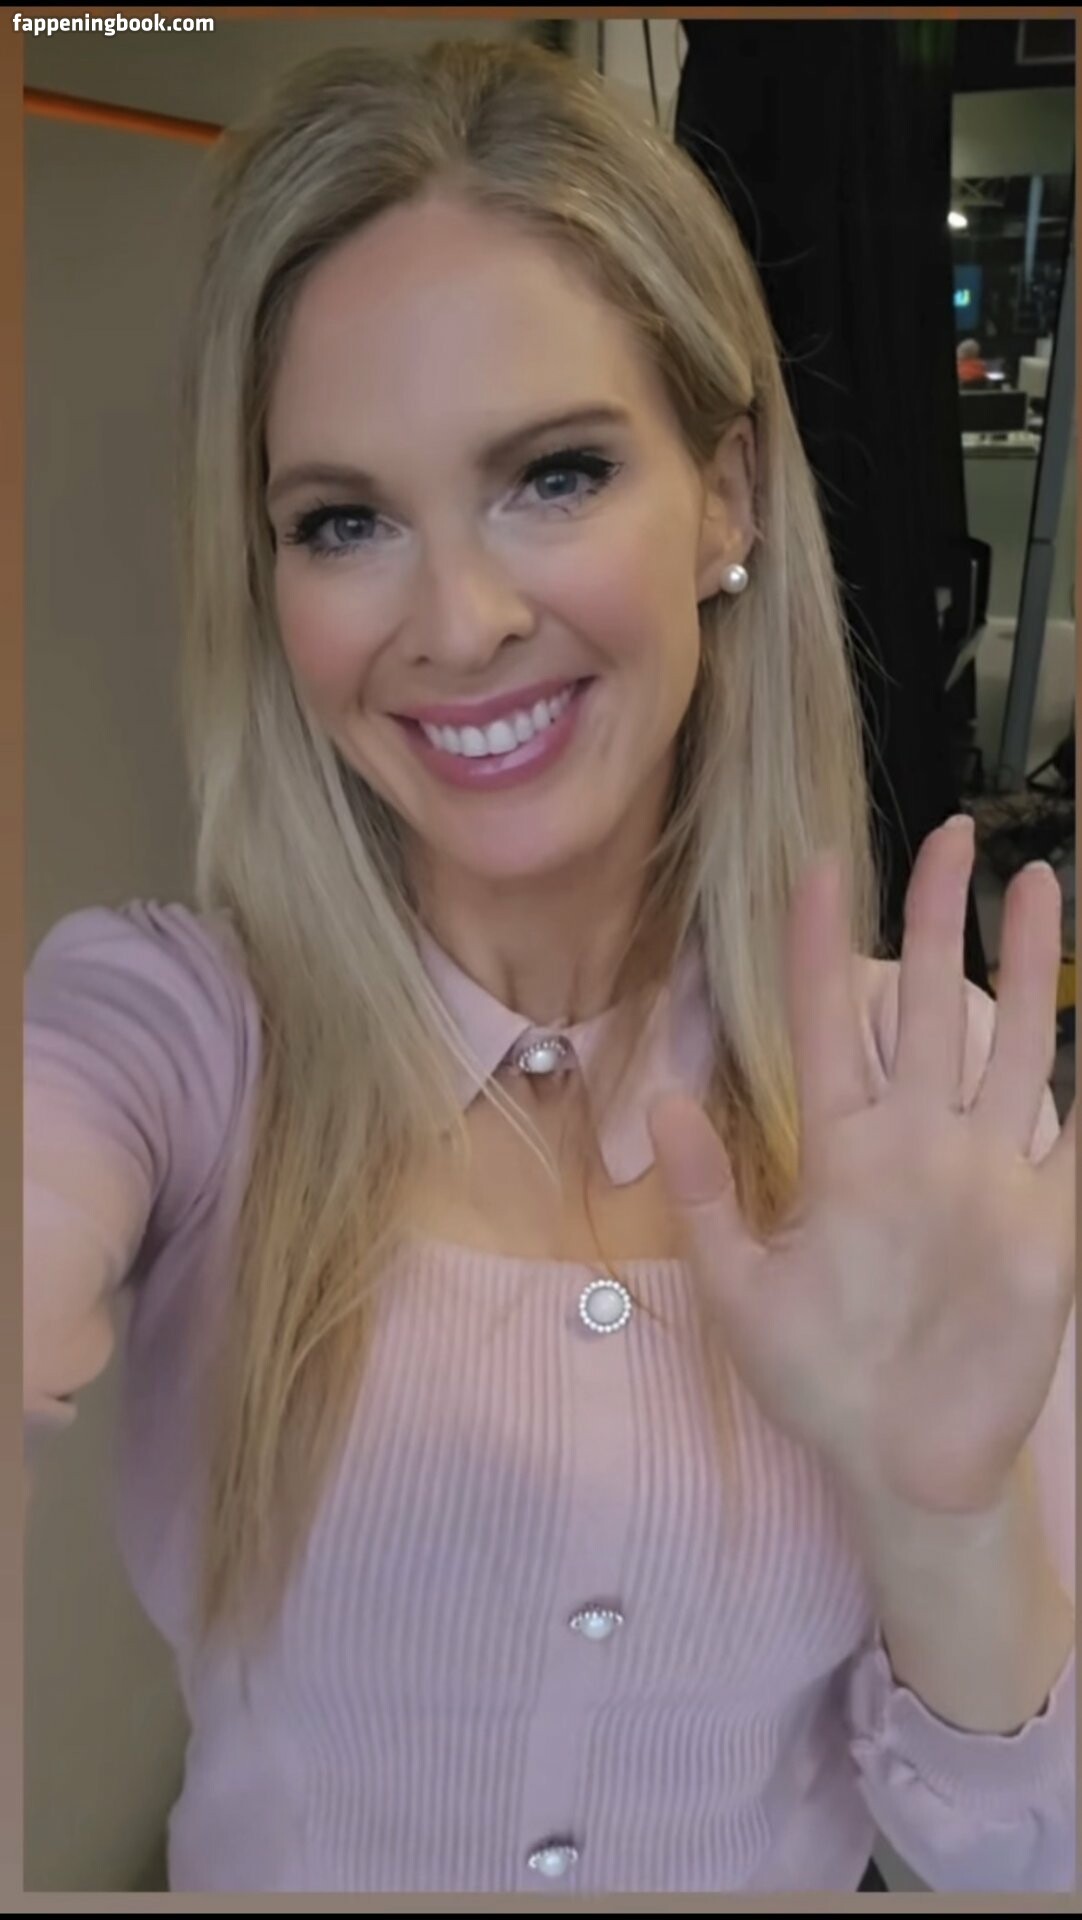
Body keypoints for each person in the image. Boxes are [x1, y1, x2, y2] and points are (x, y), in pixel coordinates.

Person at [24, 39, 1075, 1896]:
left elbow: (1019, 1859)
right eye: (343, 520)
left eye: (555, 475)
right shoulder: (172, 1035)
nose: (458, 621)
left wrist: (943, 1514)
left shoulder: (930, 1096)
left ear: (726, 498)